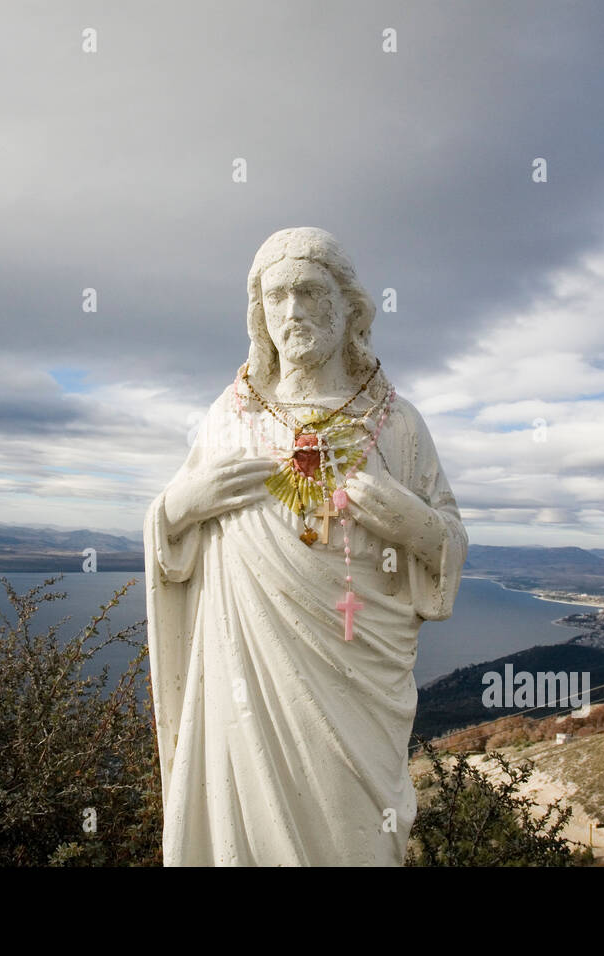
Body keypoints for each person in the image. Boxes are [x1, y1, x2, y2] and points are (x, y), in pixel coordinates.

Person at [144, 226, 468, 865]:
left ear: (349, 307)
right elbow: (168, 534)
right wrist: (185, 504)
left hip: (358, 691)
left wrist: (406, 518)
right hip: (243, 688)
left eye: (311, 292)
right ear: (258, 314)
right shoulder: (227, 417)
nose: (293, 311)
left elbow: (450, 542)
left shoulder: (396, 425)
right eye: (276, 296)